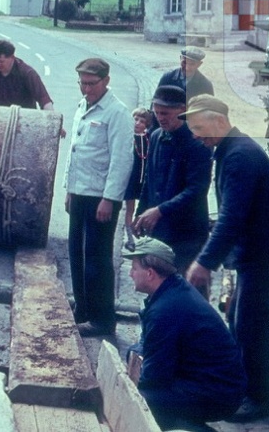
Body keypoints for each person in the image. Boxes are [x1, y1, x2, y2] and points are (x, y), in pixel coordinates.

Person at [181, 95, 269, 422]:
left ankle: (260, 398)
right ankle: (245, 385)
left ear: (219, 120)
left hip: (265, 253)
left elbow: (232, 218)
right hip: (257, 251)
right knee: (240, 321)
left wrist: (204, 262)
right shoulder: (232, 149)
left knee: (250, 325)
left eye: (201, 129)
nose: (198, 138)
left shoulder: (239, 156)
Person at [124, 237, 246, 431]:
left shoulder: (165, 310)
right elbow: (148, 345)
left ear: (149, 273)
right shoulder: (172, 287)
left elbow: (154, 377)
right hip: (212, 381)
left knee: (144, 400)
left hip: (220, 392)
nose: (131, 273)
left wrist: (131, 387)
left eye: (134, 268)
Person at [65, 57, 133, 337]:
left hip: (100, 198)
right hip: (80, 192)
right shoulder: (83, 106)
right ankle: (83, 308)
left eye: (91, 84)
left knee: (97, 259)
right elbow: (75, 151)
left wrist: (110, 198)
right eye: (82, 83)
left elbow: (121, 160)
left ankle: (103, 319)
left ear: (106, 81)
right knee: (76, 255)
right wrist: (68, 190)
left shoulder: (117, 113)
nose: (85, 89)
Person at [134, 86, 212, 277]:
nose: (160, 118)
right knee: (156, 283)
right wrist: (140, 213)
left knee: (184, 288)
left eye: (166, 113)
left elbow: (196, 190)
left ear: (182, 110)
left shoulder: (197, 142)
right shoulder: (156, 136)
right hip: (159, 231)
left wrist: (160, 210)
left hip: (186, 233)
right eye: (157, 112)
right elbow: (149, 181)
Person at [0, 39, 54, 110]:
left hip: (23, 118)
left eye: (1, 61)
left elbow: (44, 99)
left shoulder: (27, 73)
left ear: (12, 57)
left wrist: (52, 120)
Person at [123, 107, 153, 242]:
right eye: (136, 119)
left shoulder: (148, 138)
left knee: (143, 206)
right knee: (130, 207)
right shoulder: (128, 136)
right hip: (131, 178)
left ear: (146, 125)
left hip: (144, 179)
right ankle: (129, 237)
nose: (138, 123)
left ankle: (140, 232)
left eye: (142, 121)